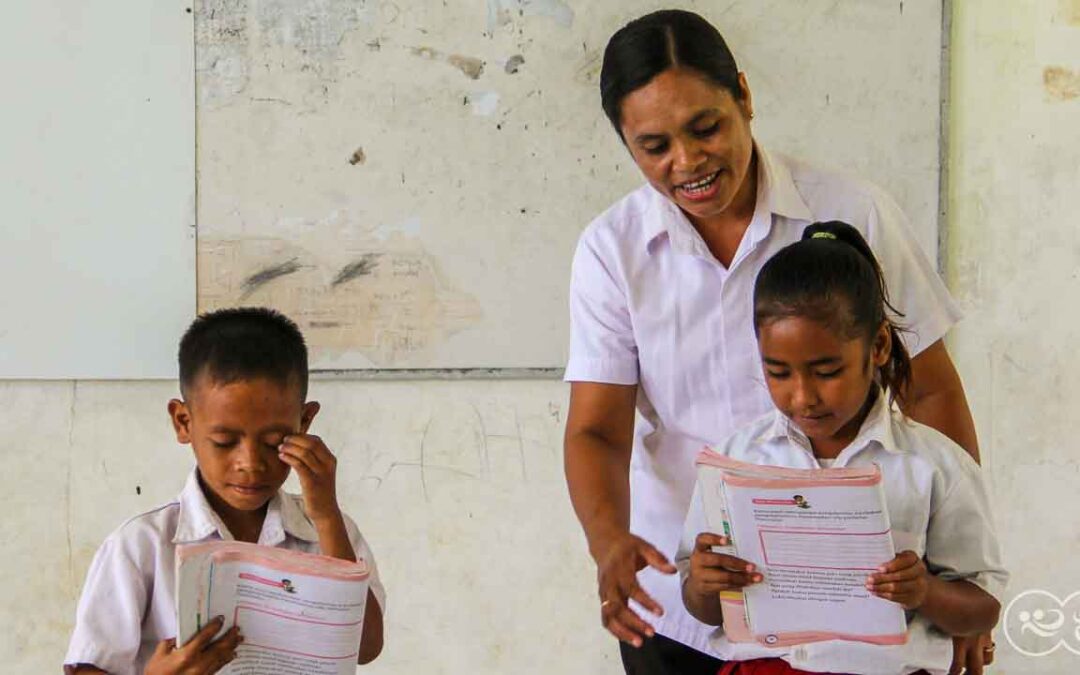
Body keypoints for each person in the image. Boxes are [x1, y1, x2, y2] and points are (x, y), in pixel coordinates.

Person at [562, 9, 992, 674]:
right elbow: (598, 429)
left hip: (853, 608)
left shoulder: (852, 213)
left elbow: (929, 385)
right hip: (687, 606)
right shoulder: (611, 251)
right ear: (626, 143)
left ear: (744, 95)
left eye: (706, 126)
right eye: (655, 146)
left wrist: (955, 587)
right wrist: (609, 542)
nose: (688, 161)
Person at [677, 221, 1007, 674]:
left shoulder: (933, 466)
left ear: (878, 347)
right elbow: (706, 607)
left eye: (827, 371)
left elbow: (982, 607)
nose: (803, 396)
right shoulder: (734, 462)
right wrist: (703, 583)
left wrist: (925, 592)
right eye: (778, 372)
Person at [64, 307, 385, 674]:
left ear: (305, 422)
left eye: (273, 442)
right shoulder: (143, 545)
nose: (249, 463)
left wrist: (326, 515)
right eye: (224, 441)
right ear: (183, 422)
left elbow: (367, 647)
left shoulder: (328, 533)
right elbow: (87, 666)